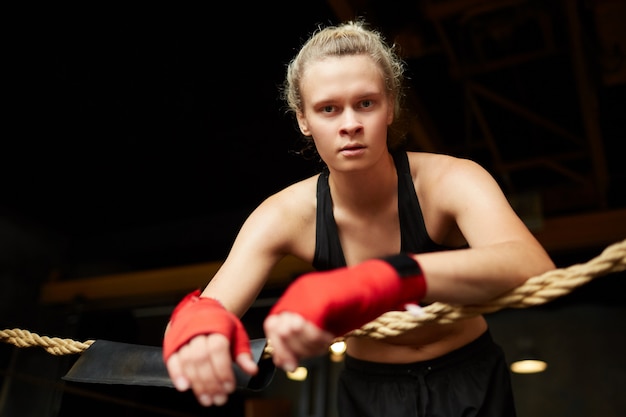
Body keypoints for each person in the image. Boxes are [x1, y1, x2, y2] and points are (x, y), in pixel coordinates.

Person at [162, 20, 555, 416]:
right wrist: (199, 332)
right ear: (303, 119)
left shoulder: (450, 180)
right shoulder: (285, 213)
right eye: (328, 109)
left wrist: (379, 280)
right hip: (370, 392)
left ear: (391, 106)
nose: (350, 124)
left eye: (365, 103)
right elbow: (208, 306)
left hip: (469, 376)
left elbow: (533, 266)